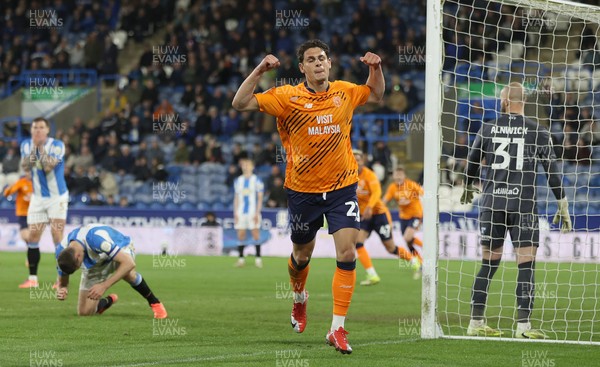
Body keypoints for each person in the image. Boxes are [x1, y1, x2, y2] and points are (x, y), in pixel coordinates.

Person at [232, 39, 384, 354]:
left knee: (347, 254)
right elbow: (240, 103)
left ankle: (337, 329)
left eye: (322, 58)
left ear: (330, 64)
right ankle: (299, 299)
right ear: (302, 67)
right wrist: (260, 69)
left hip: (342, 188)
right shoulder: (287, 97)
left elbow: (378, 93)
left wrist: (376, 68)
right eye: (311, 59)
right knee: (302, 256)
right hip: (302, 192)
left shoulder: (344, 91)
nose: (318, 63)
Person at [461, 82, 572, 339]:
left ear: (506, 101)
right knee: (526, 266)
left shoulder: (487, 128)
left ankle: (475, 322)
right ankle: (523, 327)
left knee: (488, 264)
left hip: (492, 204)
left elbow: (474, 161)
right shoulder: (538, 131)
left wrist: (468, 185)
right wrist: (562, 203)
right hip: (523, 205)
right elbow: (551, 173)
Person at [55, 223, 168, 319]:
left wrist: (104, 286)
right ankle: (105, 302)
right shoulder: (61, 252)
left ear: (79, 257)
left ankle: (154, 302)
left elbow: (129, 263)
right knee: (84, 313)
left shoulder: (96, 239)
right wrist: (63, 289)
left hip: (121, 248)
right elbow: (63, 280)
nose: (79, 268)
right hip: (97, 262)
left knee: (127, 272)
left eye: (78, 266)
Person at [352, 150, 417, 286]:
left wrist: (369, 207)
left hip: (379, 214)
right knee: (358, 242)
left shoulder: (369, 175)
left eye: (358, 159)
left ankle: (413, 261)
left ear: (362, 161)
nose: (356, 162)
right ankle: (372, 274)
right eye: (353, 159)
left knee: (390, 248)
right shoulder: (349, 176)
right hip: (365, 216)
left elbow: (377, 192)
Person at [19, 117, 69, 288]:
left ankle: (61, 280)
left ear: (48, 130)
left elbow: (48, 166)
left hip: (57, 197)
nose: (38, 130)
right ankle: (32, 279)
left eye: (41, 127)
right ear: (31, 130)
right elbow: (26, 167)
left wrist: (40, 148)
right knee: (33, 236)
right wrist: (34, 150)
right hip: (38, 197)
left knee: (57, 236)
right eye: (35, 128)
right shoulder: (25, 144)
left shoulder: (57, 145)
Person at [383, 166, 425, 279]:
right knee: (409, 243)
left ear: (404, 175)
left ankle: (426, 247)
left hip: (416, 215)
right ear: (393, 176)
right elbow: (385, 201)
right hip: (403, 217)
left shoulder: (411, 184)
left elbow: (423, 193)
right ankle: (421, 263)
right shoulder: (392, 187)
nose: (398, 176)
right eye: (396, 174)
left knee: (407, 238)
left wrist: (413, 199)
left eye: (400, 174)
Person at [233, 158, 264, 268]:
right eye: (244, 165)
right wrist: (235, 213)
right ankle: (241, 259)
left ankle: (258, 259)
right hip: (241, 212)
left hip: (252, 212)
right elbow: (236, 198)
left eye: (248, 165)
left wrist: (257, 212)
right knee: (241, 235)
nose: (245, 167)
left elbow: (260, 198)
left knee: (255, 234)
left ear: (252, 167)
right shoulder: (238, 181)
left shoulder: (257, 180)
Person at [4, 171, 33, 279]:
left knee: (30, 236)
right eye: (27, 171)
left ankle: (30, 256)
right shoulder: (21, 182)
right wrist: (10, 188)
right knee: (24, 237)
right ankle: (30, 251)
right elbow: (7, 193)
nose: (29, 174)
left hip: (34, 213)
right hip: (22, 213)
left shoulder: (37, 184)